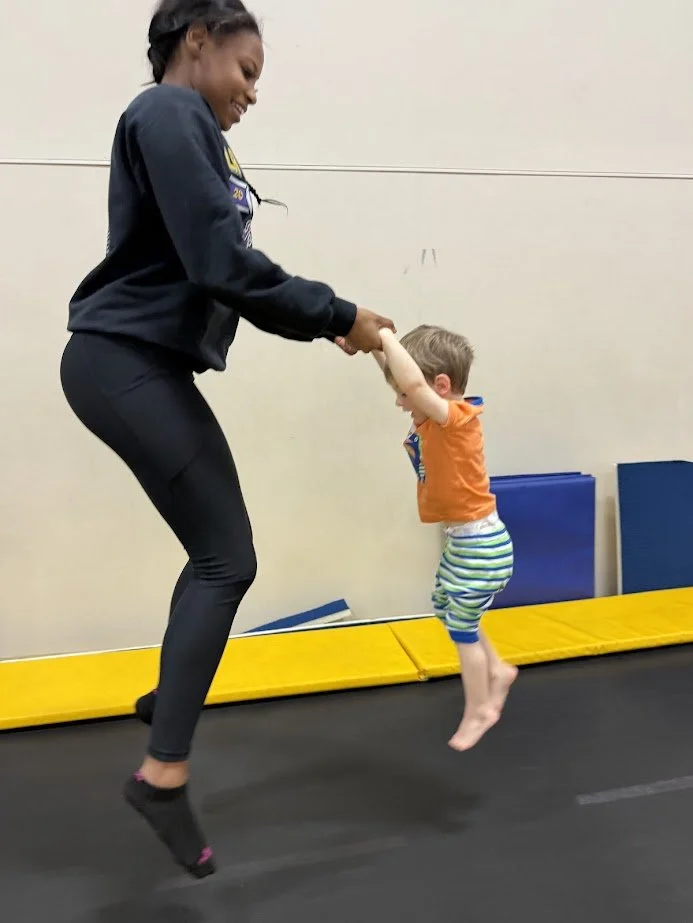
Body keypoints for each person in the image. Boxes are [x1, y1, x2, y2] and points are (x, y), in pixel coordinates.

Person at [59, 0, 395, 880]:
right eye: (246, 72)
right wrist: (339, 315)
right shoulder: (168, 109)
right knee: (225, 559)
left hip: (140, 367)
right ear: (195, 43)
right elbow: (222, 266)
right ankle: (162, 776)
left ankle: (166, 701)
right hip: (119, 361)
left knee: (217, 553)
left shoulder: (184, 124)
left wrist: (332, 319)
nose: (251, 94)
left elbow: (215, 261)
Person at [369, 325, 516, 752]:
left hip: (482, 546)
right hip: (464, 542)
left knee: (462, 629)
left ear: (441, 387)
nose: (400, 402)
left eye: (404, 396)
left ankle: (480, 709)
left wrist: (384, 334)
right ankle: (499, 669)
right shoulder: (429, 413)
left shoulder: (456, 420)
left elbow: (413, 383)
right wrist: (372, 346)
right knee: (444, 608)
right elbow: (407, 380)